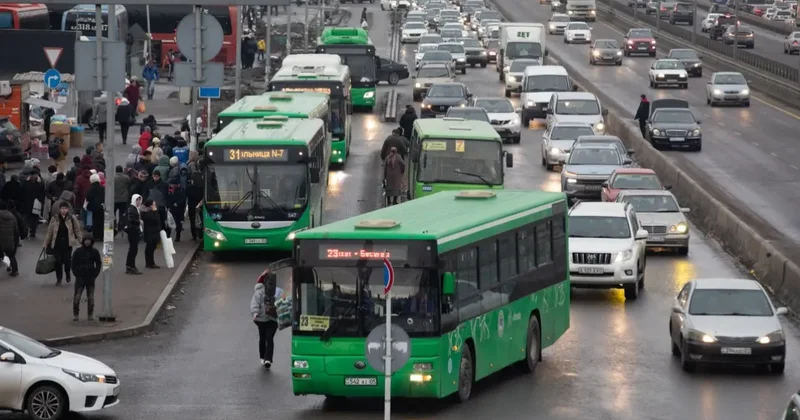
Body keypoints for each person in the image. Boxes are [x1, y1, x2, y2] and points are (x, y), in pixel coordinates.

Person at [250, 269, 284, 369]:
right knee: (263, 337)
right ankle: (262, 356)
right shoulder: (259, 292)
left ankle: (268, 359)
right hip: (261, 319)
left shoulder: (279, 291)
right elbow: (254, 303)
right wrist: (255, 313)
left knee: (269, 337)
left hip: (273, 319)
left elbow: (282, 303)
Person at [44, 201, 82, 286]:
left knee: (67, 261)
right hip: (57, 244)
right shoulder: (55, 218)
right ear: (60, 209)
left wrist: (81, 241)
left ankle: (68, 274)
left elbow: (77, 230)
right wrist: (45, 243)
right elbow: (49, 232)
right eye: (62, 208)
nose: (63, 210)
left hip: (67, 243)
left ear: (68, 209)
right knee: (58, 262)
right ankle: (59, 279)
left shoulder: (72, 218)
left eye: (65, 208)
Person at [70, 235, 101, 321]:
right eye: (86, 240)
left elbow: (98, 264)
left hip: (90, 278)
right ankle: (76, 314)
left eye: (89, 240)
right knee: (77, 296)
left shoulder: (94, 252)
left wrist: (95, 274)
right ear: (83, 241)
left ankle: (90, 314)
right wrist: (76, 273)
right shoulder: (78, 251)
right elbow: (73, 264)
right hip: (80, 277)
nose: (87, 242)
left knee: (90, 297)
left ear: (91, 241)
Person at [140, 199, 162, 269]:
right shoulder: (146, 212)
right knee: (150, 248)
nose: (155, 206)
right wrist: (155, 211)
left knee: (153, 247)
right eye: (153, 204)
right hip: (150, 232)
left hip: (154, 232)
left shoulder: (151, 211)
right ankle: (149, 263)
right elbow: (155, 220)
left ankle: (150, 262)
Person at [0, 201, 19, 277]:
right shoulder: (12, 216)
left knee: (2, 254)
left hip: (0, 240)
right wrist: (16, 240)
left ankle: (8, 265)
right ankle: (15, 270)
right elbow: (16, 230)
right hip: (10, 240)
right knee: (11, 255)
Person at [125, 194, 143, 274]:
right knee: (133, 250)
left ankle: (129, 266)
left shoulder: (135, 208)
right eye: (137, 200)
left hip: (134, 231)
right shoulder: (132, 209)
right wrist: (139, 221)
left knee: (133, 249)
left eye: (139, 200)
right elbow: (132, 219)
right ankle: (131, 266)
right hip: (133, 231)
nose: (139, 202)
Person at [86, 173, 105, 240]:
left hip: (93, 207)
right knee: (101, 221)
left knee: (95, 221)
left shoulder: (90, 189)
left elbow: (88, 198)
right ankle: (102, 235)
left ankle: (96, 235)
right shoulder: (102, 188)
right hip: (102, 207)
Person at [186, 172, 203, 241]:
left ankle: (194, 236)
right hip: (200, 207)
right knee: (200, 220)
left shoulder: (189, 188)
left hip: (191, 206)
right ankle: (201, 234)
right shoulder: (202, 188)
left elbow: (186, 195)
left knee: (192, 221)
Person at [114, 165, 130, 230]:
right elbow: (129, 185)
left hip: (114, 199)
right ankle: (121, 226)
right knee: (122, 213)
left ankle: (114, 225)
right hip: (124, 199)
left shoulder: (113, 177)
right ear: (122, 170)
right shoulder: (126, 178)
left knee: (113, 213)